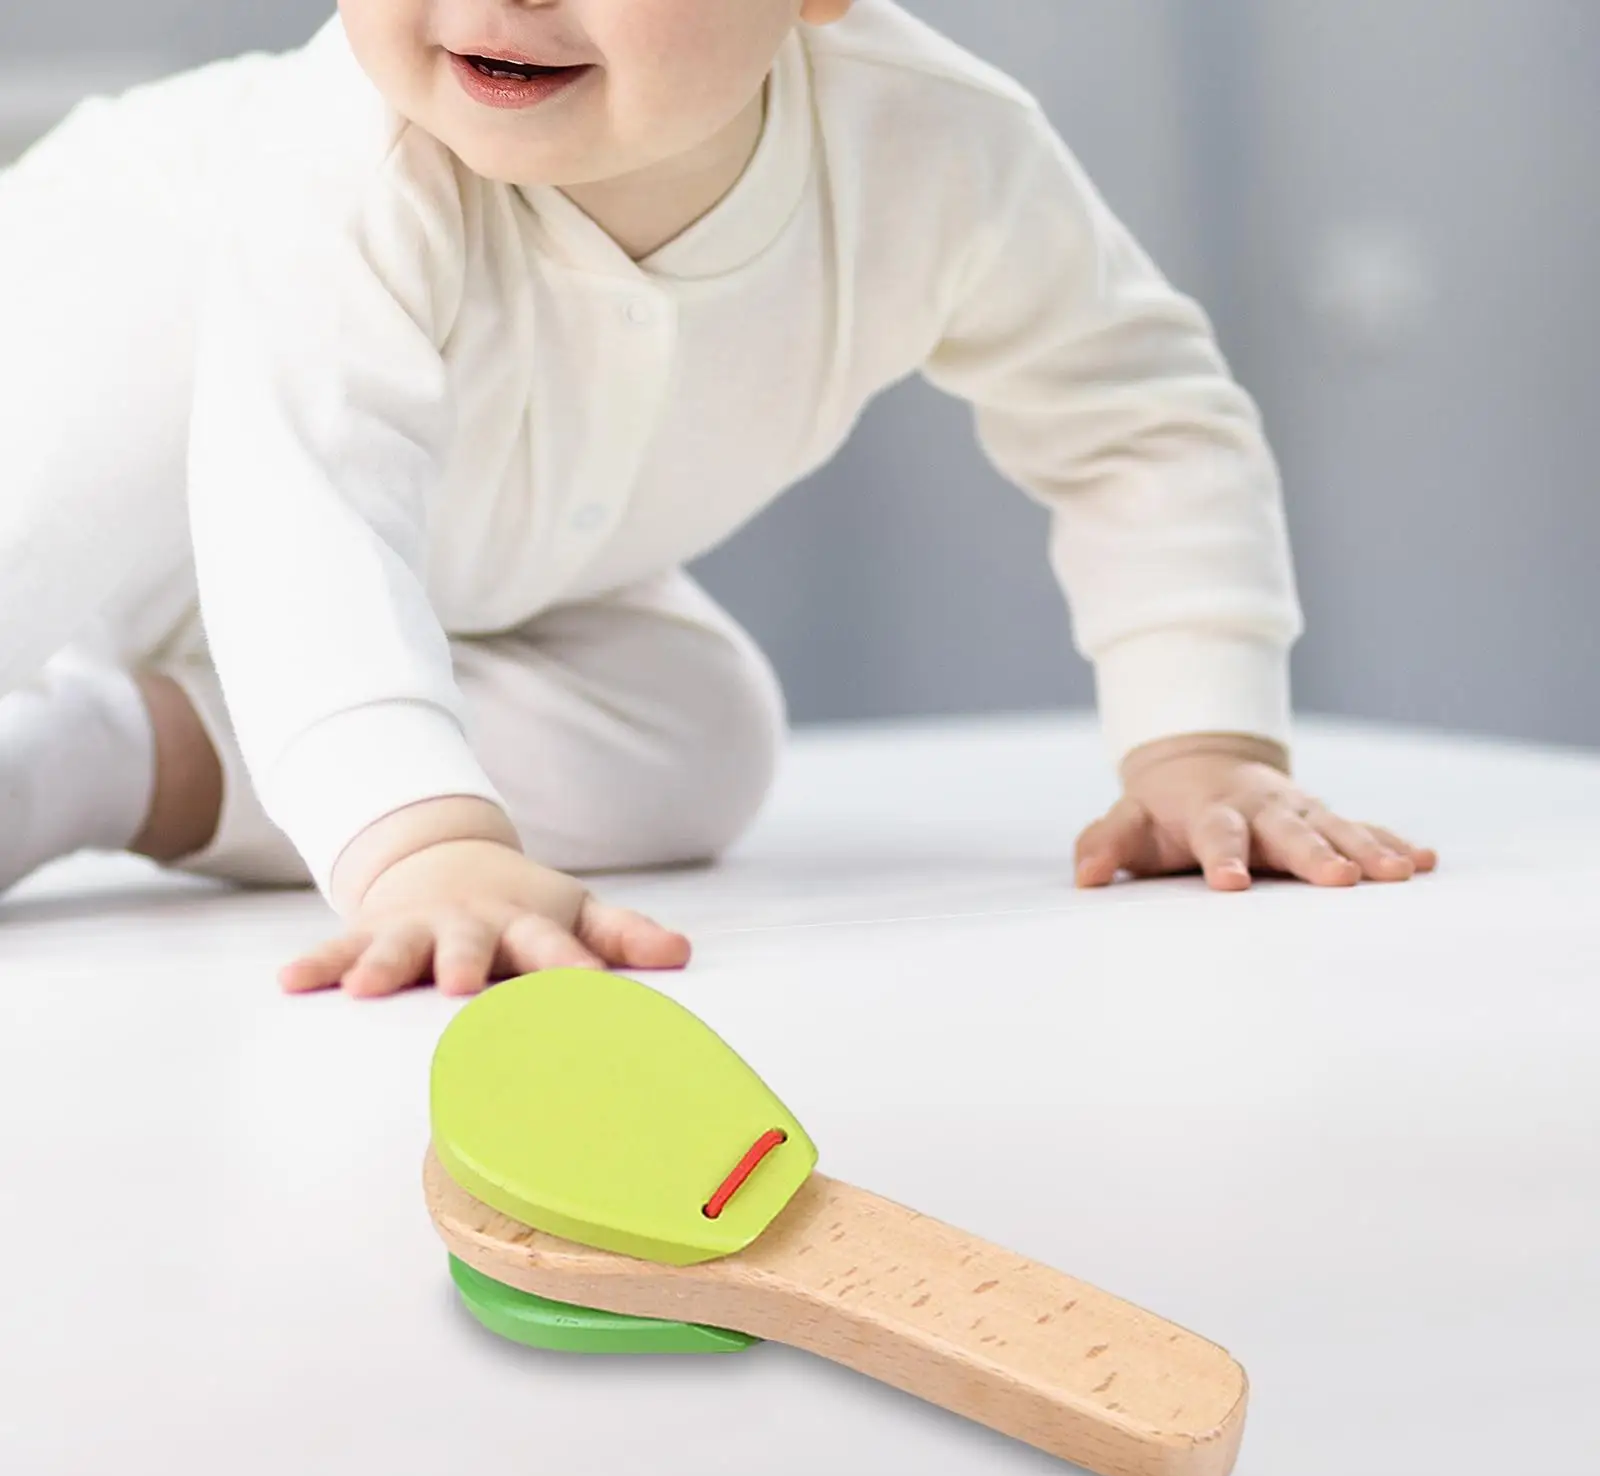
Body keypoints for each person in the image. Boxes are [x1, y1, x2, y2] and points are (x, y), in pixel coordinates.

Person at [0, 0, 1435, 1000]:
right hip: (126, 421)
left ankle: (106, 754)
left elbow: (1138, 410)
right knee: (93, 423)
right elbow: (305, 508)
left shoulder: (935, 154)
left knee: (699, 736)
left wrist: (1198, 741)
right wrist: (425, 847)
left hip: (430, 581)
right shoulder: (351, 153)